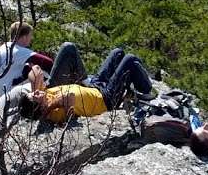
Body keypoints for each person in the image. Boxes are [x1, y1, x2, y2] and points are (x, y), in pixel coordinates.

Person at [21, 45, 153, 124]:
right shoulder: (54, 113)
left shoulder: (44, 96)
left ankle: (129, 89)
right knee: (130, 59)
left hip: (94, 86)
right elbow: (69, 96)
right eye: (35, 96)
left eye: (34, 93)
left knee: (117, 53)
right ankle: (145, 91)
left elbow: (36, 70)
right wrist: (49, 105)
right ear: (39, 109)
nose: (37, 92)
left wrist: (35, 89)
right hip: (106, 99)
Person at [0, 22, 53, 98]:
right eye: (30, 36)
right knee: (36, 69)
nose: (31, 39)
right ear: (24, 37)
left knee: (29, 68)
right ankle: (53, 88)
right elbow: (48, 62)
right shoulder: (18, 50)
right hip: (8, 92)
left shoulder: (3, 47)